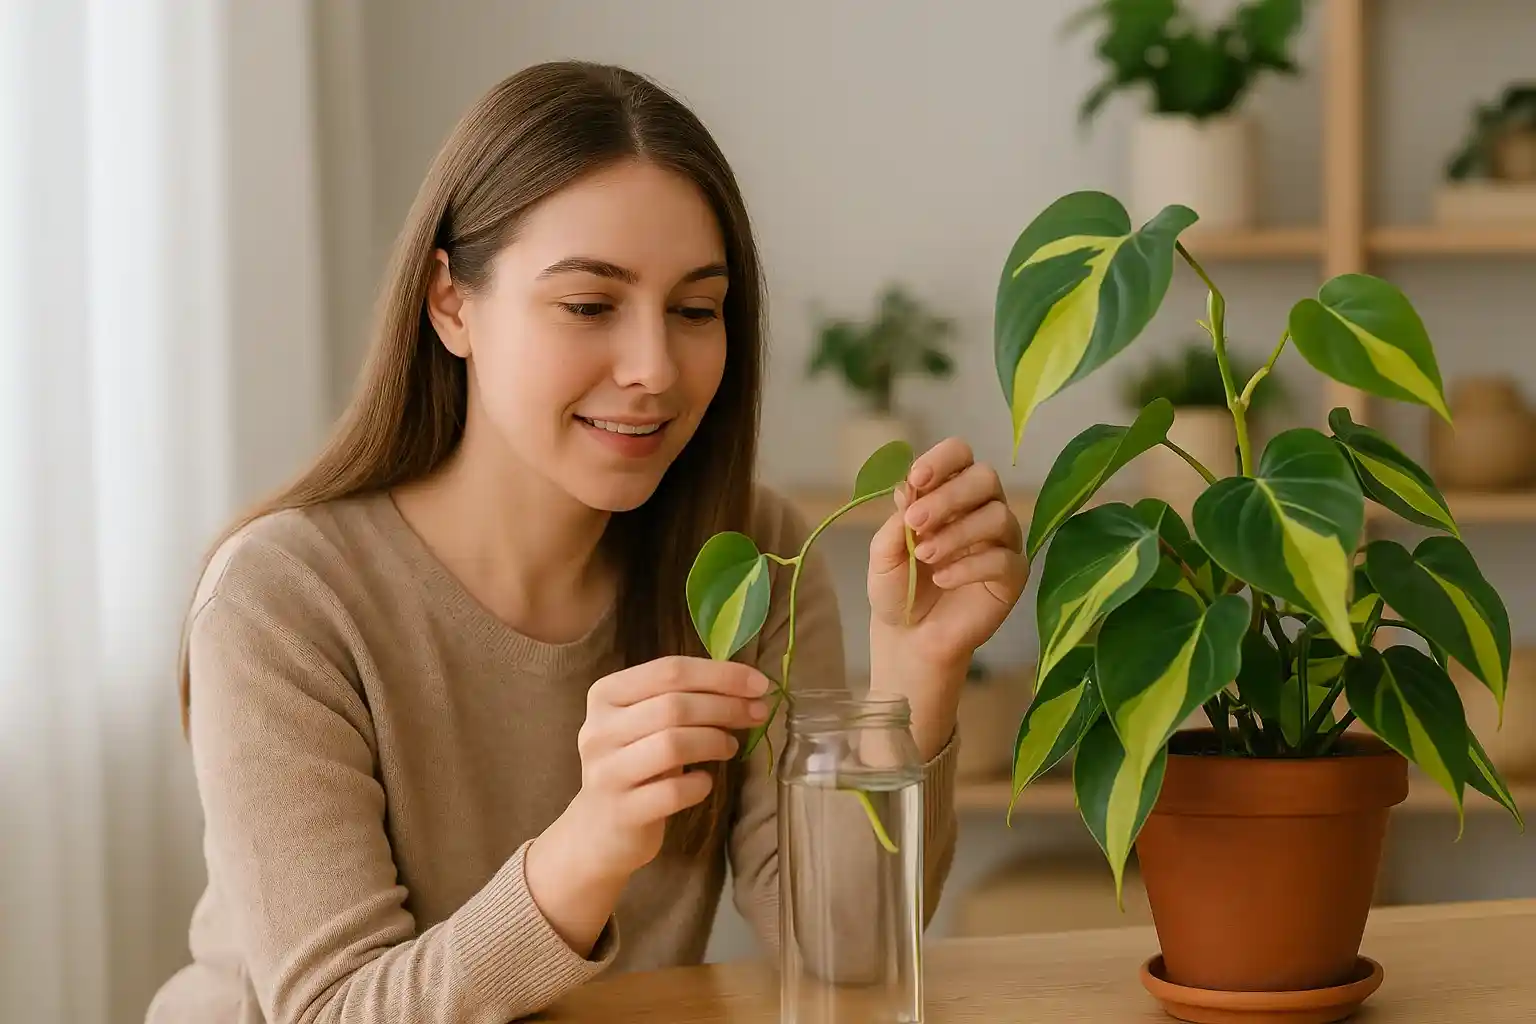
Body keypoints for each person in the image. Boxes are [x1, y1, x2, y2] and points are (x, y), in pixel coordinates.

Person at [146, 60, 1029, 1024]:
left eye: (696, 310)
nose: (654, 368)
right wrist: (591, 839)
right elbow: (332, 1011)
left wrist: (915, 670)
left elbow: (845, 957)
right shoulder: (281, 600)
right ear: (451, 305)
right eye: (588, 306)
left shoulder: (751, 553)